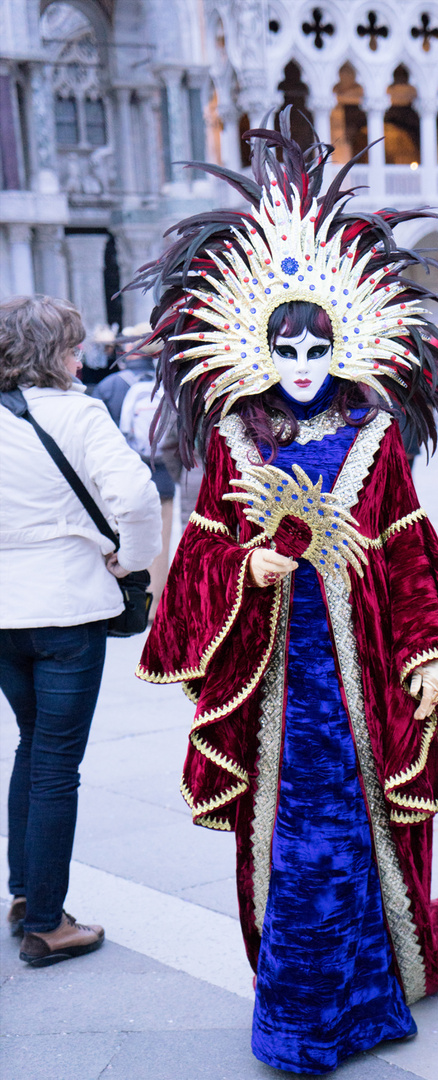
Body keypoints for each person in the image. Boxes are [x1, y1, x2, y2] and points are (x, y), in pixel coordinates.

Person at [130, 120, 438, 1075]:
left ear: (345, 339)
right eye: (285, 345)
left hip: (362, 676)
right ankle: (300, 1011)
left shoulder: (375, 439)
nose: (303, 362)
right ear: (257, 344)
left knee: (358, 836)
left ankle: (369, 993)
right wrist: (243, 573)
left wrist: (425, 657)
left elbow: (410, 551)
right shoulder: (233, 439)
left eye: (318, 344)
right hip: (275, 685)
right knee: (296, 846)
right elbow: (204, 552)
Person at [0, 295, 161, 967]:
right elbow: (138, 497)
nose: (78, 356)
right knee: (57, 762)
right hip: (67, 606)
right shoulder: (80, 412)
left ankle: (21, 893)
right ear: (53, 353)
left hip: (3, 610)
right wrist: (133, 559)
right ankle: (45, 922)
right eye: (70, 345)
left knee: (31, 746)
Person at [93, 328, 176, 616]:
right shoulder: (169, 385)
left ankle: (123, 600)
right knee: (160, 541)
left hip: (118, 477)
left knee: (117, 537)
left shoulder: (109, 386)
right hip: (162, 472)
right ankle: (154, 606)